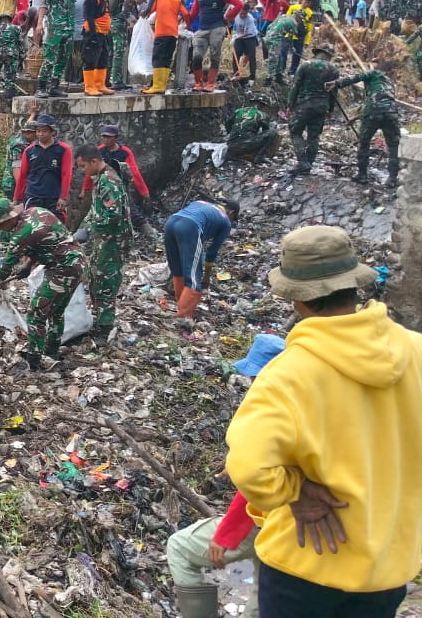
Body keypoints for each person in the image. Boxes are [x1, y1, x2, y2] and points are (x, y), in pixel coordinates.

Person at [225, 225, 422, 618]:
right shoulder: (415, 351)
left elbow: (249, 467)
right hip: (388, 567)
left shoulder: (289, 373)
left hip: (306, 562)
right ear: (354, 284)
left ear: (296, 298)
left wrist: (296, 489)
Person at [166, 333, 284, 618]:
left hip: (269, 517)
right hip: (292, 526)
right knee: (266, 586)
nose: (251, 382)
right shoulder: (306, 405)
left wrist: (226, 534)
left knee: (179, 547)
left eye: (254, 376)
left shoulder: (271, 412)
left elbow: (258, 488)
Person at [0, 200, 84, 368]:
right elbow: (44, 240)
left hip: (63, 269)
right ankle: (52, 352)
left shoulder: (21, 236)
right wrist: (28, 265)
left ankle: (34, 362)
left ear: (8, 219)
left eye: (0, 224)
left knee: (36, 313)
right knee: (56, 311)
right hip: (76, 262)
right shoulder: (36, 211)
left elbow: (3, 271)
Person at [73, 145, 129, 337]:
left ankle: (105, 326)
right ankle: (99, 318)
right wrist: (82, 228)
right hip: (103, 240)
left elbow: (113, 215)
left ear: (94, 161)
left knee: (106, 282)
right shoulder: (100, 179)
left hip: (114, 242)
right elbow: (96, 210)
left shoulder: (108, 181)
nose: (83, 171)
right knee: (95, 278)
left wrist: (89, 230)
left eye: (83, 166)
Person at [164, 199, 237, 326]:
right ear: (231, 213)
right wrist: (206, 277)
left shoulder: (202, 203)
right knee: (193, 280)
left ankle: (181, 306)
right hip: (190, 226)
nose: (231, 221)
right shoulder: (226, 221)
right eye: (233, 218)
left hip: (170, 222)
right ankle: (183, 318)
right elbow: (212, 251)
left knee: (178, 271)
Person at [327, 66, 401, 187]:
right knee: (393, 145)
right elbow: (378, 102)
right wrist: (356, 118)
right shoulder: (389, 83)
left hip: (372, 112)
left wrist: (337, 83)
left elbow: (356, 78)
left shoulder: (373, 73)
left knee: (364, 143)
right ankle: (392, 179)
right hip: (391, 112)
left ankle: (362, 176)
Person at [81, 125, 154, 235]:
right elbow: (90, 170)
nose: (106, 140)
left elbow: (135, 173)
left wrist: (144, 192)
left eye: (109, 137)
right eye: (104, 137)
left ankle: (151, 234)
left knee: (132, 212)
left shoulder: (124, 152)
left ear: (116, 138)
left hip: (121, 187)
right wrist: (85, 189)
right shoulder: (99, 151)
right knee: (99, 212)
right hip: (102, 187)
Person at [37, 0, 93, 97]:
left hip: (69, 29)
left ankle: (54, 86)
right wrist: (39, 23)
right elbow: (44, 4)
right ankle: (41, 87)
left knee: (63, 59)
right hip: (55, 28)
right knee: (50, 58)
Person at [187, 0, 243, 92]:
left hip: (217, 27)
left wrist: (228, 17)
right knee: (196, 56)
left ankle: (210, 83)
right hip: (202, 28)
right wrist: (187, 22)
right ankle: (198, 83)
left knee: (214, 55)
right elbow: (195, 9)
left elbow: (239, 4)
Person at [287, 45, 339, 174]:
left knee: (295, 132)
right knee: (314, 136)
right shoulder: (334, 70)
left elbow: (295, 86)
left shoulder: (305, 65)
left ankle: (303, 162)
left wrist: (290, 104)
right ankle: (308, 164)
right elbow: (334, 92)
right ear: (329, 56)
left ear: (317, 52)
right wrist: (331, 109)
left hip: (304, 104)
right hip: (322, 106)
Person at [14, 114, 72, 221]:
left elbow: (66, 175)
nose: (40, 134)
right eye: (38, 131)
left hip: (53, 197)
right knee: (32, 225)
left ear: (52, 131)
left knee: (56, 225)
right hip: (33, 196)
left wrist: (63, 197)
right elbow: (23, 176)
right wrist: (17, 198)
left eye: (44, 131)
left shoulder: (63, 149)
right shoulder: (29, 150)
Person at [143, 0, 189, 94]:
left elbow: (150, 8)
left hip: (161, 32)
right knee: (167, 59)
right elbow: (186, 14)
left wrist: (143, 16)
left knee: (158, 58)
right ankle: (162, 86)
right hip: (173, 33)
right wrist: (188, 25)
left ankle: (157, 87)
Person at [81, 0, 115, 95]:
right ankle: (89, 87)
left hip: (103, 33)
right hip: (93, 33)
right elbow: (88, 17)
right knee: (90, 59)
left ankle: (100, 84)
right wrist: (93, 34)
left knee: (103, 58)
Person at [109, 0, 143, 89]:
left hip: (112, 23)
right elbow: (126, 11)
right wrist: (132, 22)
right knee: (119, 53)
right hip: (120, 25)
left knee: (111, 53)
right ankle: (117, 81)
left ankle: (106, 79)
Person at [225, 96, 279, 164]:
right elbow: (266, 132)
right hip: (245, 146)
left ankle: (232, 154)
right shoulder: (262, 115)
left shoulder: (239, 111)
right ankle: (259, 156)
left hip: (230, 146)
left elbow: (227, 124)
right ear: (262, 105)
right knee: (272, 132)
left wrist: (231, 135)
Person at [0, 13, 25, 102]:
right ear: (10, 20)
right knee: (10, 79)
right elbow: (21, 45)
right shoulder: (17, 28)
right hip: (11, 56)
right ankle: (9, 101)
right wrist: (21, 59)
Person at [264, 11, 300, 86]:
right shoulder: (293, 23)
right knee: (274, 60)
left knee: (280, 58)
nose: (300, 21)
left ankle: (278, 77)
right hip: (275, 40)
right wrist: (291, 48)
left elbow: (270, 26)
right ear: (298, 16)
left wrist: (268, 34)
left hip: (268, 37)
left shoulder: (284, 16)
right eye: (300, 18)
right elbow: (290, 38)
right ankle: (268, 80)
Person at [3, 119, 36, 199]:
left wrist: (33, 115)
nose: (38, 135)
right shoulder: (19, 146)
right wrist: (23, 190)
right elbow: (16, 168)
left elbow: (27, 125)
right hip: (13, 185)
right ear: (28, 133)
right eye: (36, 132)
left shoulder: (18, 137)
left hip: (12, 182)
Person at [232, 0, 261, 83]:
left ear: (248, 12)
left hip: (250, 37)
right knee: (236, 55)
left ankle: (252, 77)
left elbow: (247, 33)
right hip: (239, 37)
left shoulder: (250, 19)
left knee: (251, 57)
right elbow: (229, 12)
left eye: (245, 14)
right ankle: (236, 74)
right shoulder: (236, 14)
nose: (242, 15)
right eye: (241, 13)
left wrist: (236, 37)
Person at [284, 0, 314, 75]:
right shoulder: (293, 8)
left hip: (300, 36)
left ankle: (293, 70)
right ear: (302, 1)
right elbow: (286, 19)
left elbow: (309, 28)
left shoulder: (310, 12)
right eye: (306, 2)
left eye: (309, 3)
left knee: (297, 54)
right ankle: (281, 69)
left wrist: (307, 41)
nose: (307, 4)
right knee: (283, 52)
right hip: (289, 35)